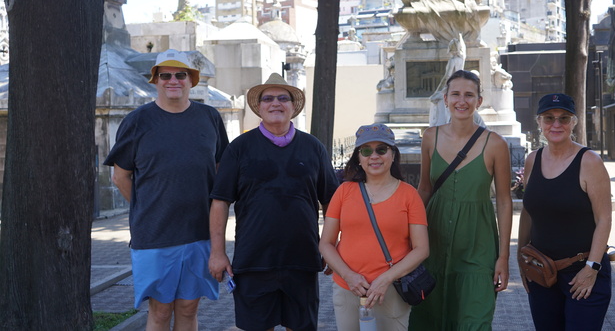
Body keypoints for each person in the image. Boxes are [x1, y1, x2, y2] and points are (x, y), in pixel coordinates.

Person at [104, 49, 230, 330]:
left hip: (199, 232)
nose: (173, 80)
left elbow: (221, 170)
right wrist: (147, 209)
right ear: (156, 81)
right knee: (160, 311)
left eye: (180, 75)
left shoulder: (209, 117)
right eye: (165, 75)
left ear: (191, 80)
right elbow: (120, 177)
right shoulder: (137, 121)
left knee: (188, 308)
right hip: (155, 234)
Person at [209, 73, 338, 331]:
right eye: (268, 99)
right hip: (253, 260)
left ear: (293, 106)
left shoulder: (313, 147)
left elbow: (332, 202)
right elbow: (220, 202)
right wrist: (218, 252)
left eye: (282, 98)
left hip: (302, 258)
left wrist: (330, 245)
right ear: (259, 107)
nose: (275, 103)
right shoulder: (239, 148)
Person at [409, 70, 512, 330]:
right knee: (429, 317)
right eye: (455, 94)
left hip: (478, 242)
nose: (461, 101)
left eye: (469, 95)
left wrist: (503, 257)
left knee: (475, 319)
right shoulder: (430, 137)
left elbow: (504, 201)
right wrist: (407, 238)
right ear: (445, 99)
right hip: (433, 239)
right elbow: (424, 189)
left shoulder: (495, 144)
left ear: (479, 100)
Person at [319, 124, 429, 330]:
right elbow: (326, 243)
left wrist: (385, 279)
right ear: (358, 158)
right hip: (348, 289)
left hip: (391, 291)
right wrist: (348, 275)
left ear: (393, 155)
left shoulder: (409, 195)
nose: (374, 156)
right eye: (366, 151)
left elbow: (422, 249)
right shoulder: (344, 192)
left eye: (381, 149)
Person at [519, 93, 612, 330]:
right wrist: (522, 259)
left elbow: (604, 219)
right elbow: (528, 213)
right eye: (549, 118)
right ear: (539, 122)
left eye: (564, 118)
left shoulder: (589, 162)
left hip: (582, 273)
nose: (556, 124)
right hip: (541, 271)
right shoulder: (532, 160)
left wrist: (592, 268)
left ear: (574, 122)